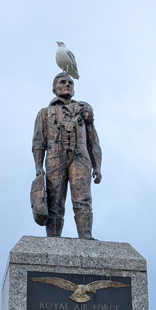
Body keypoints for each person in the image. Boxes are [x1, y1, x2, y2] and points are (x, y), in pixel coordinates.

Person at [32, 72, 102, 239]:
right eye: (62, 82)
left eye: (70, 83)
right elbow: (38, 142)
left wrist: (97, 166)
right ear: (54, 88)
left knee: (83, 199)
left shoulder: (84, 111)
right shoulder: (45, 113)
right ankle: (53, 240)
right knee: (54, 201)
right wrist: (38, 166)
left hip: (80, 157)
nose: (67, 85)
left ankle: (86, 237)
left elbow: (93, 141)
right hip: (55, 156)